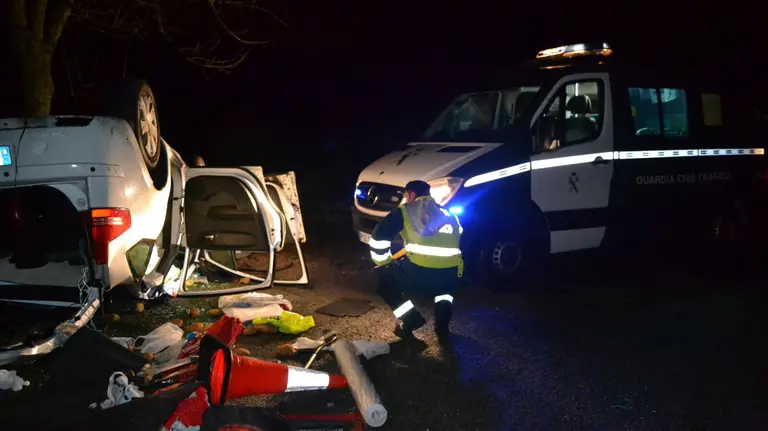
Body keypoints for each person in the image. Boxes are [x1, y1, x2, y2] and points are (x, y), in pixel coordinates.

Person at [369, 180, 463, 339]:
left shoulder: (405, 211)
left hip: (422, 275)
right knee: (444, 292)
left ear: (411, 194)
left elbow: (379, 239)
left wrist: (384, 263)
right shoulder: (449, 213)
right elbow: (458, 233)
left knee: (385, 284)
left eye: (406, 195)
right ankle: (442, 327)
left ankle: (411, 320)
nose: (406, 199)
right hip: (452, 274)